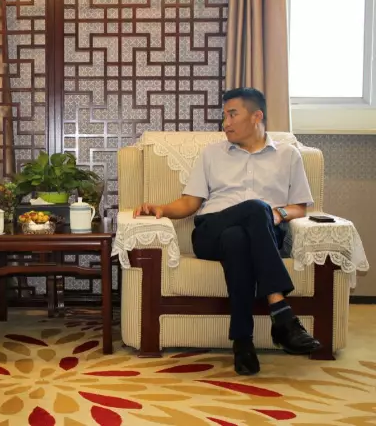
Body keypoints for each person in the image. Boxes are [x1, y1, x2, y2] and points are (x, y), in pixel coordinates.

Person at [133, 87, 322, 376]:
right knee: (255, 209)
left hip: (262, 235)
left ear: (256, 116)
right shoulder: (212, 154)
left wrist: (278, 214)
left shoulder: (288, 155)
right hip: (211, 231)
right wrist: (161, 208)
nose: (226, 123)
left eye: (233, 115)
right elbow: (190, 203)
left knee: (239, 237)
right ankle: (281, 311)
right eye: (224, 116)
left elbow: (299, 208)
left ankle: (242, 342)